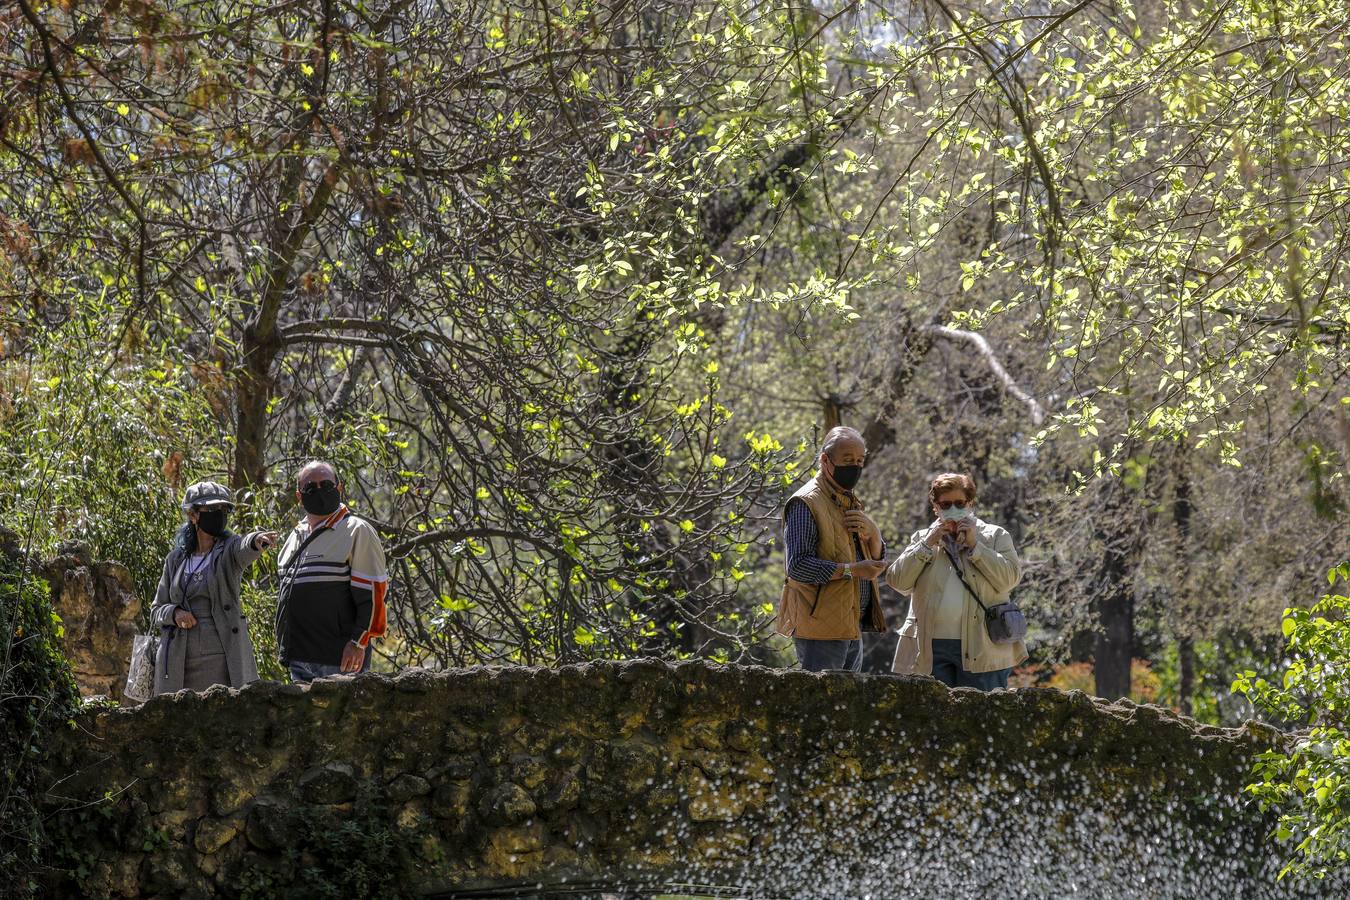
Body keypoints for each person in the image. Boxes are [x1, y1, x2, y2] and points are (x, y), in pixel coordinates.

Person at [887, 472, 1025, 689]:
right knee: (934, 718)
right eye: (946, 504)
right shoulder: (922, 538)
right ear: (936, 508)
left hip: (983, 645)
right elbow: (897, 581)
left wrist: (976, 547)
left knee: (981, 716)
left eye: (959, 503)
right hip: (929, 649)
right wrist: (927, 543)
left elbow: (1009, 579)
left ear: (970, 503)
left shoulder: (996, 536)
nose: (953, 509)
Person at [776, 426, 889, 672]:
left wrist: (875, 534)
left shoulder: (847, 499)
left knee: (846, 708)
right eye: (848, 460)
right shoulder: (806, 502)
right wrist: (852, 571)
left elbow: (873, 560)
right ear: (825, 460)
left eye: (860, 461)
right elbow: (798, 567)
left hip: (851, 625)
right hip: (820, 632)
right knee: (821, 707)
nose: (855, 467)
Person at [151, 481, 279, 694]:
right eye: (211, 510)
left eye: (224, 509)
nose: (219, 514)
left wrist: (257, 540)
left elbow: (244, 548)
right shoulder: (175, 560)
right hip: (177, 663)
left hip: (221, 661)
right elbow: (156, 610)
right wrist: (175, 613)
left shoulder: (229, 551)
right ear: (193, 515)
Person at [276, 460, 389, 683]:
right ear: (300, 496)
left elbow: (375, 594)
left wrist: (358, 643)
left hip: (340, 660)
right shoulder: (294, 537)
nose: (319, 491)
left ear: (339, 488)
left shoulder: (356, 530)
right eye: (310, 488)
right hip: (299, 658)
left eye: (326, 485)